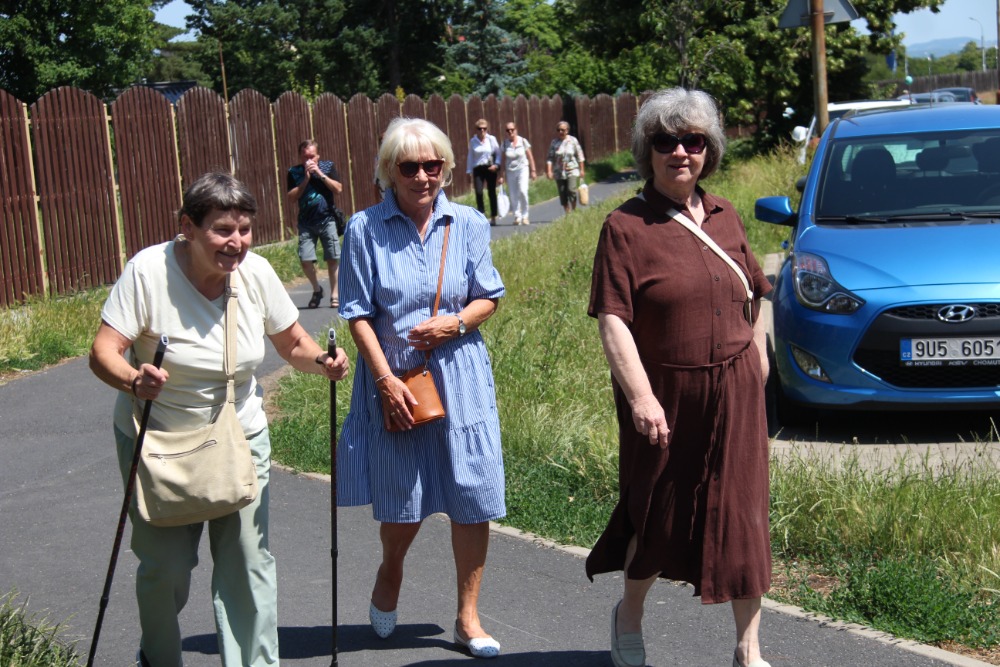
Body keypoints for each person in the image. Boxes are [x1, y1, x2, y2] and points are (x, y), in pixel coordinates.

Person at [89, 172, 350, 667]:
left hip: (239, 435)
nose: (237, 242)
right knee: (165, 567)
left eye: (244, 230)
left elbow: (293, 341)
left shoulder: (256, 274)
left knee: (248, 562)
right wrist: (133, 379)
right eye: (222, 230)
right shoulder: (148, 272)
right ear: (188, 227)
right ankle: (159, 658)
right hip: (159, 439)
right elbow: (103, 351)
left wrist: (323, 361)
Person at [585, 88, 773, 667]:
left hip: (736, 391)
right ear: (648, 151)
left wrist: (758, 357)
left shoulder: (726, 215)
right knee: (659, 515)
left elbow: (757, 291)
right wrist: (641, 398)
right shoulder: (625, 226)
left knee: (743, 514)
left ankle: (748, 648)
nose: (680, 152)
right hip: (665, 396)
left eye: (693, 141)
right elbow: (613, 320)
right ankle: (630, 614)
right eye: (666, 141)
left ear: (708, 150)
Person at [337, 117, 506, 659]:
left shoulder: (468, 222)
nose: (422, 176)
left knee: (471, 495)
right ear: (389, 171)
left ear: (447, 168)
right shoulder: (364, 228)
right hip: (397, 379)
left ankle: (467, 616)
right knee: (403, 500)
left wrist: (454, 323)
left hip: (461, 376)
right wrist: (384, 379)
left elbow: (488, 296)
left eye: (433, 165)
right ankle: (391, 570)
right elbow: (357, 313)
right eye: (409, 167)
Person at [287, 139, 344, 309]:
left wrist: (319, 173)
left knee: (333, 257)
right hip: (306, 222)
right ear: (300, 157)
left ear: (317, 156)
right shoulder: (294, 172)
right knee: (305, 259)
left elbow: (338, 189)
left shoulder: (327, 167)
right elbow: (291, 197)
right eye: (305, 157)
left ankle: (335, 295)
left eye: (312, 157)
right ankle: (317, 289)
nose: (309, 160)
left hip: (327, 219)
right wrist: (305, 180)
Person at [498, 121, 537, 226]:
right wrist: (501, 175)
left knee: (523, 191)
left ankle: (525, 215)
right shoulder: (505, 144)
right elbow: (502, 160)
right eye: (508, 130)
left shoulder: (523, 141)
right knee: (513, 194)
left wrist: (533, 170)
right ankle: (517, 216)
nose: (510, 132)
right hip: (510, 171)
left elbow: (530, 156)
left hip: (522, 169)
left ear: (516, 130)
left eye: (512, 130)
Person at [465, 118, 502, 225]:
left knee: (491, 192)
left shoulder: (491, 139)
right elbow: (470, 156)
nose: (482, 131)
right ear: (476, 129)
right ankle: (481, 215)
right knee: (479, 192)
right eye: (480, 128)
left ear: (487, 129)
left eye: (484, 129)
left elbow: (498, 153)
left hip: (490, 167)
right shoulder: (473, 141)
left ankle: (493, 216)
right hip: (478, 168)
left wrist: (496, 165)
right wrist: (469, 171)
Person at [546, 121, 586, 216]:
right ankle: (568, 214)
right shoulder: (554, 142)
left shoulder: (573, 141)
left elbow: (580, 155)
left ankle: (574, 211)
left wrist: (582, 170)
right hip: (559, 172)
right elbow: (550, 158)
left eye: (562, 130)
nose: (560, 132)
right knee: (562, 193)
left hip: (572, 170)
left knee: (571, 189)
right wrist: (549, 171)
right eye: (558, 130)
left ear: (567, 130)